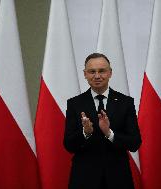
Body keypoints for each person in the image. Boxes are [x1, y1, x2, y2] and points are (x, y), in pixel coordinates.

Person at [64, 53, 142, 189]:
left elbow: (134, 143)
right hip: (84, 179)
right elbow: (69, 145)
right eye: (92, 71)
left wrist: (109, 133)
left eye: (102, 71)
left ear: (110, 73)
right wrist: (85, 133)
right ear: (85, 74)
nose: (97, 76)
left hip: (118, 179)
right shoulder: (75, 104)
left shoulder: (125, 103)